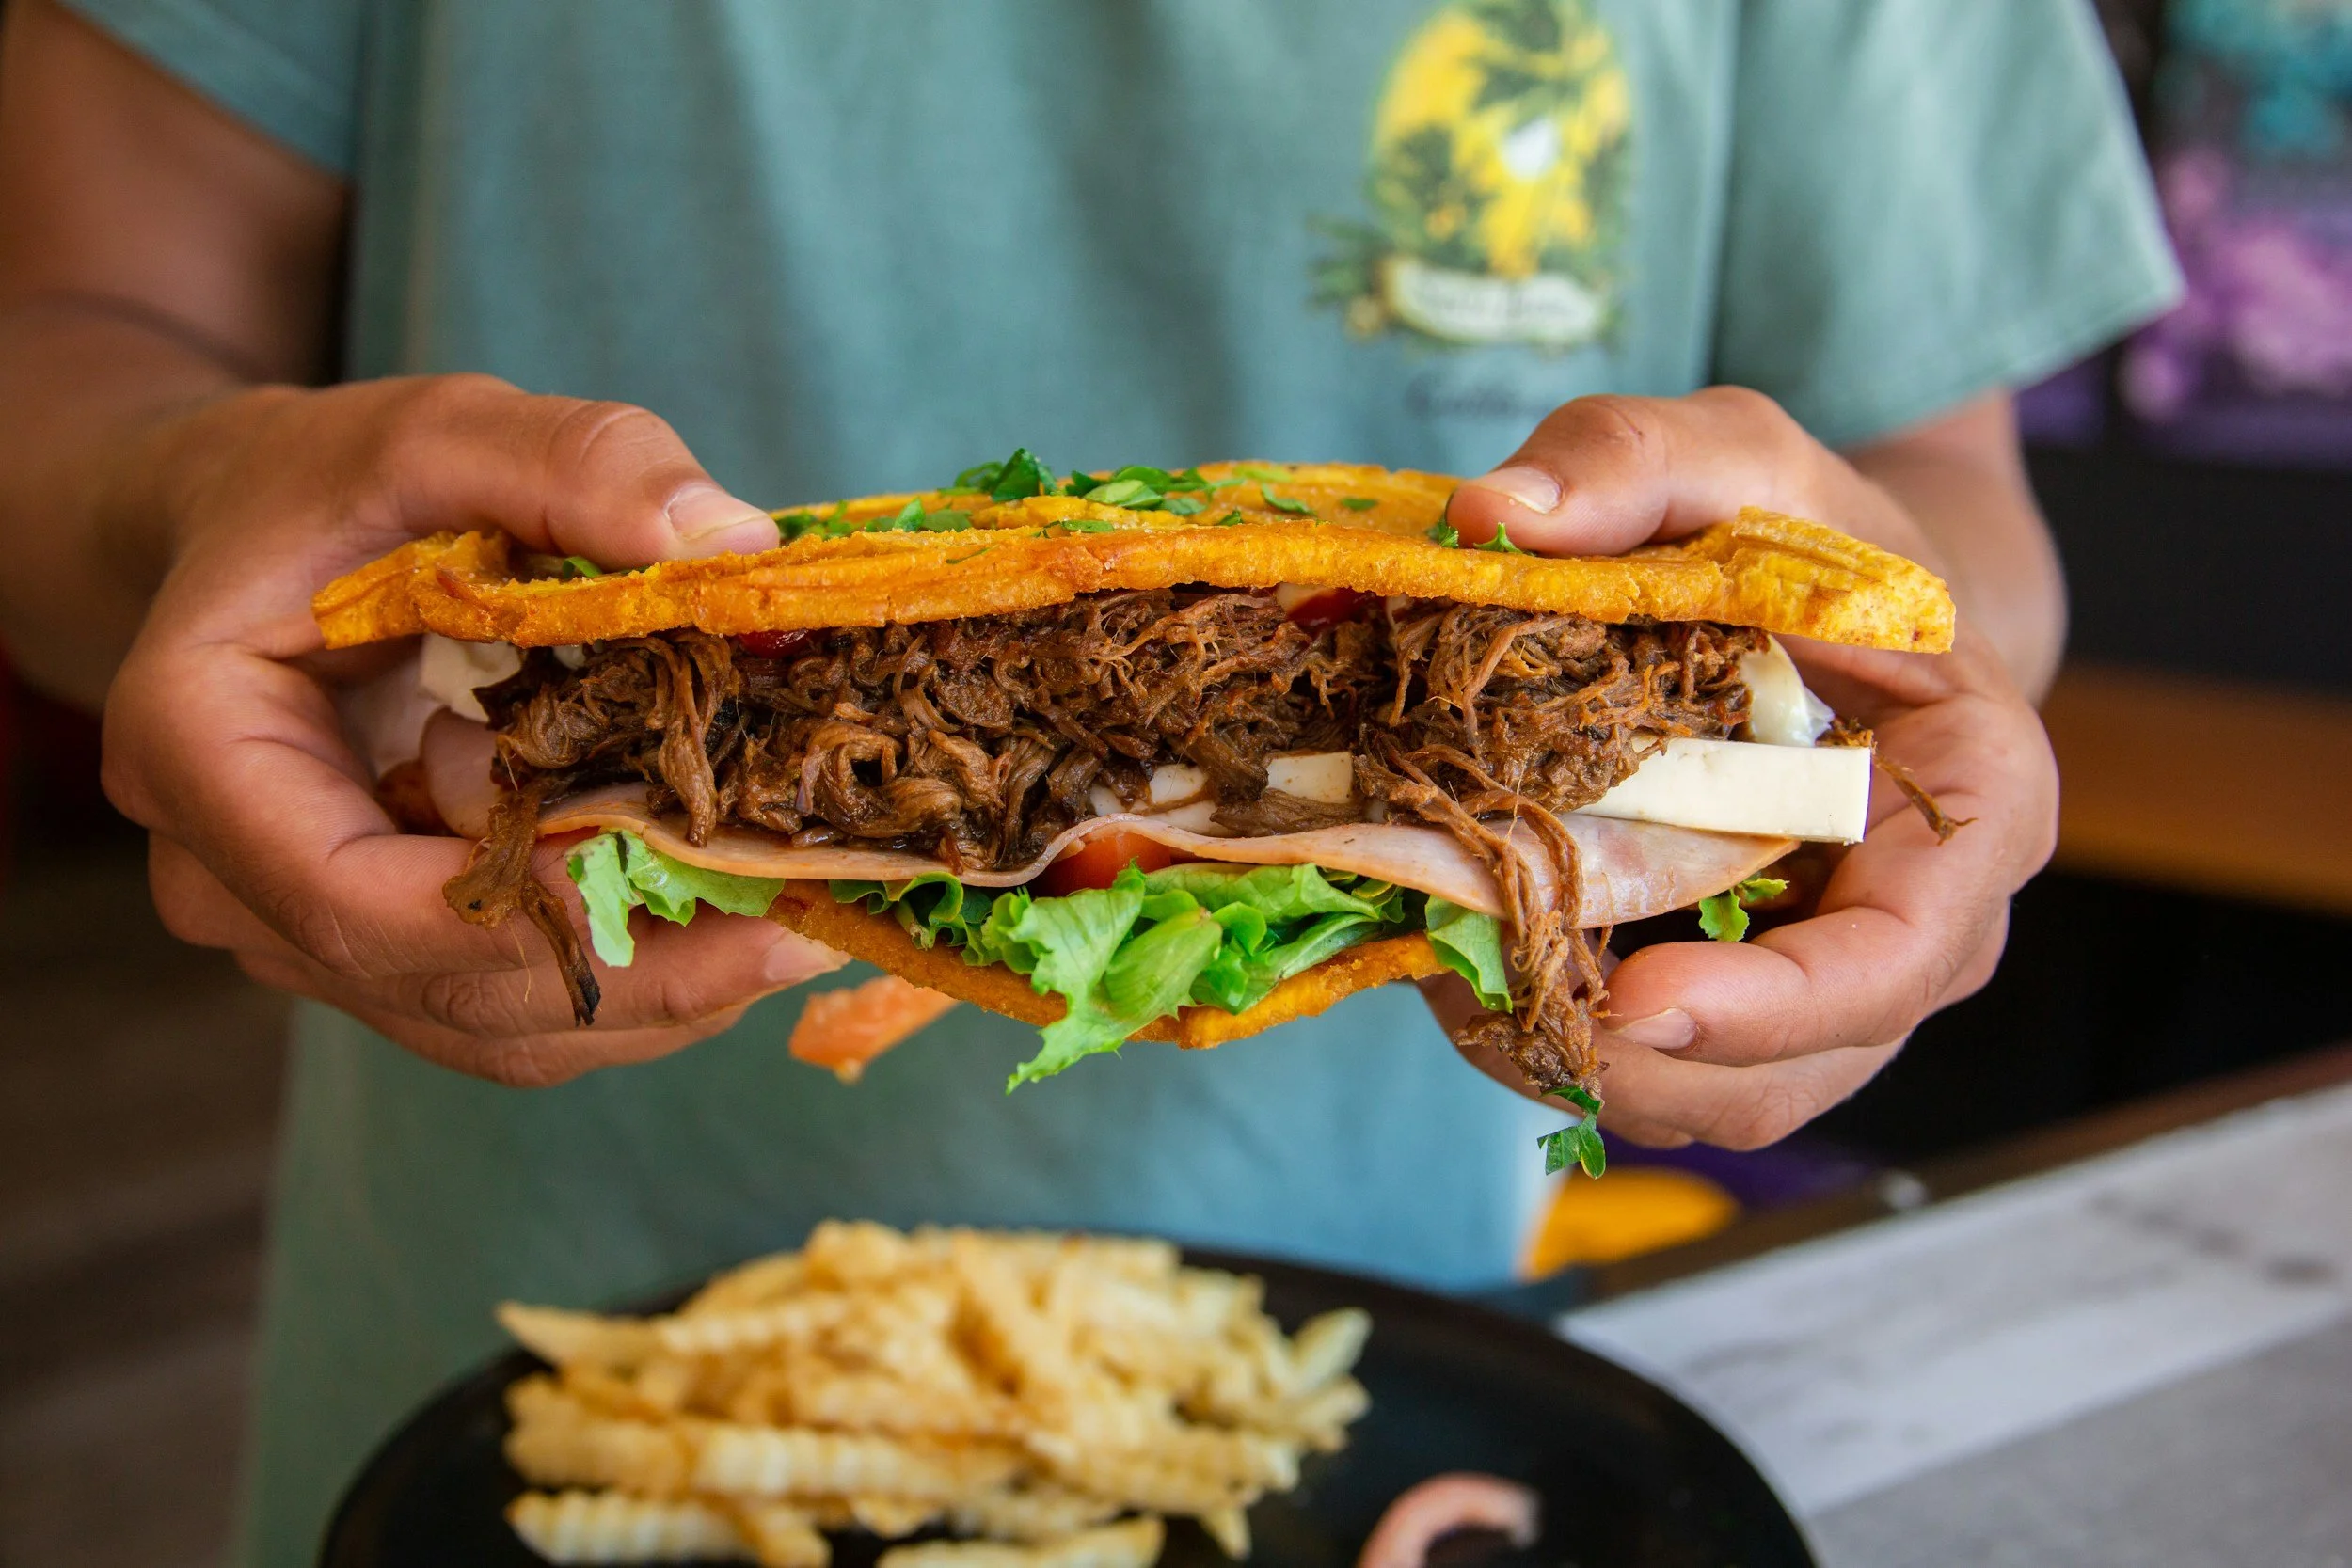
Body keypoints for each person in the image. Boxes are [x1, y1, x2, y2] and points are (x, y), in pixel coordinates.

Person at [0, 1, 2176, 1560]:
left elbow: (1940, 501)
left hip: (1401, 1393)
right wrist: (173, 495)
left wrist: (1884, 630)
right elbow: (70, 320)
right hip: (543, 1371)